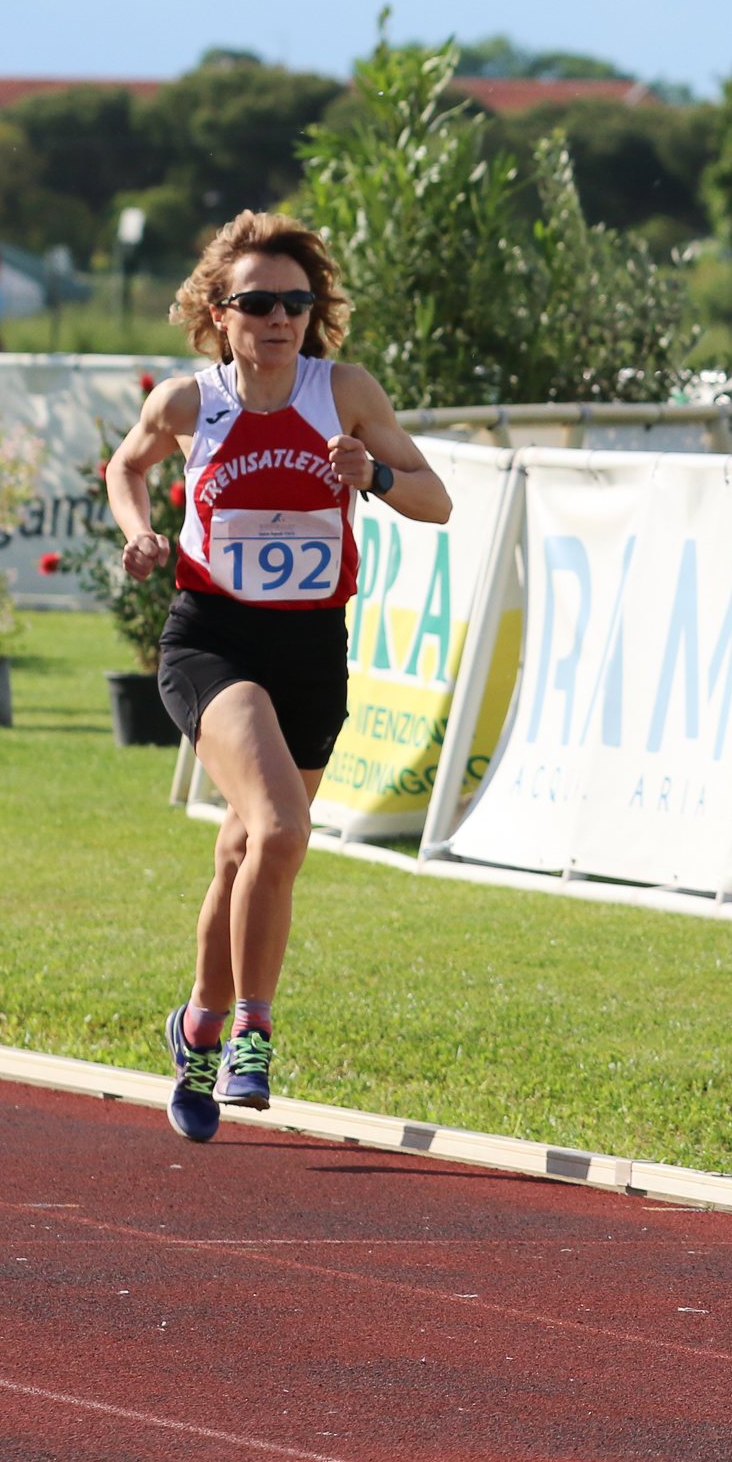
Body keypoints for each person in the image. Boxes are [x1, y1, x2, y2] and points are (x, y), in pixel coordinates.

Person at [104, 211, 452, 1142]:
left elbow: (437, 501)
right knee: (283, 829)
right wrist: (141, 534)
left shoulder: (344, 392)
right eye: (258, 303)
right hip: (213, 641)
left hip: (310, 649)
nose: (279, 319)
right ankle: (251, 1033)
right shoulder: (189, 402)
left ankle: (197, 1026)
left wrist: (375, 476)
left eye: (296, 303)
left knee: (243, 850)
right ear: (219, 312)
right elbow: (125, 467)